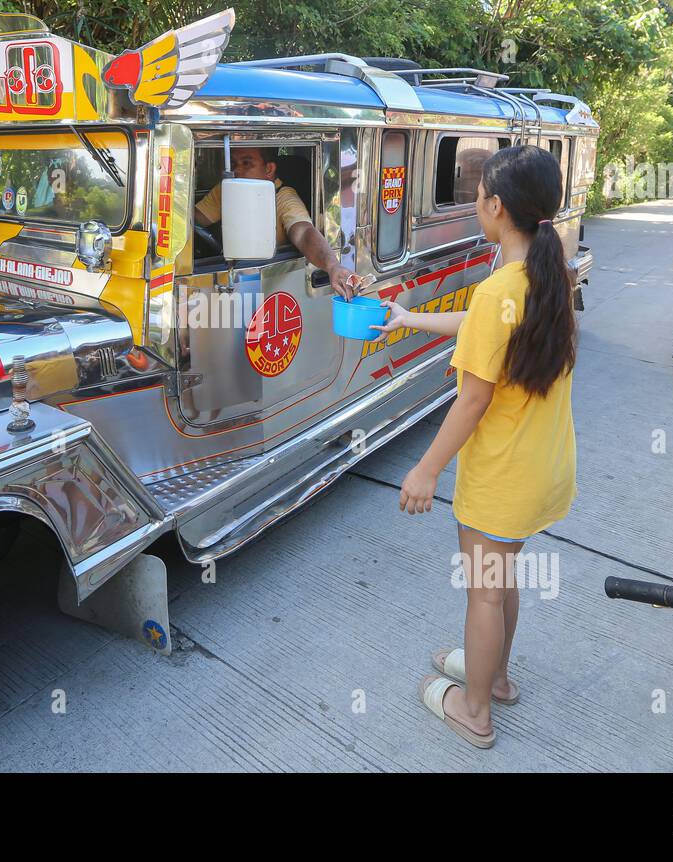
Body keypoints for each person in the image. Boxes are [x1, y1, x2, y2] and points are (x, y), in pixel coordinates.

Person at [372, 144, 577, 749]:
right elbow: (485, 324)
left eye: (479, 195)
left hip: (501, 475)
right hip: (542, 467)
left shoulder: (501, 290)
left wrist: (424, 470)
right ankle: (500, 677)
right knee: (502, 578)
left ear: (494, 206)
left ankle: (476, 709)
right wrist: (409, 321)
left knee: (484, 591)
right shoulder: (548, 274)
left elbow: (472, 399)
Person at [195, 146, 358, 299]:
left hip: (266, 283)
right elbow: (195, 220)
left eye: (247, 163)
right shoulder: (227, 189)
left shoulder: (284, 197)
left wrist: (332, 266)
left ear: (269, 169)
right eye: (233, 164)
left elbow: (303, 232)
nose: (237, 170)